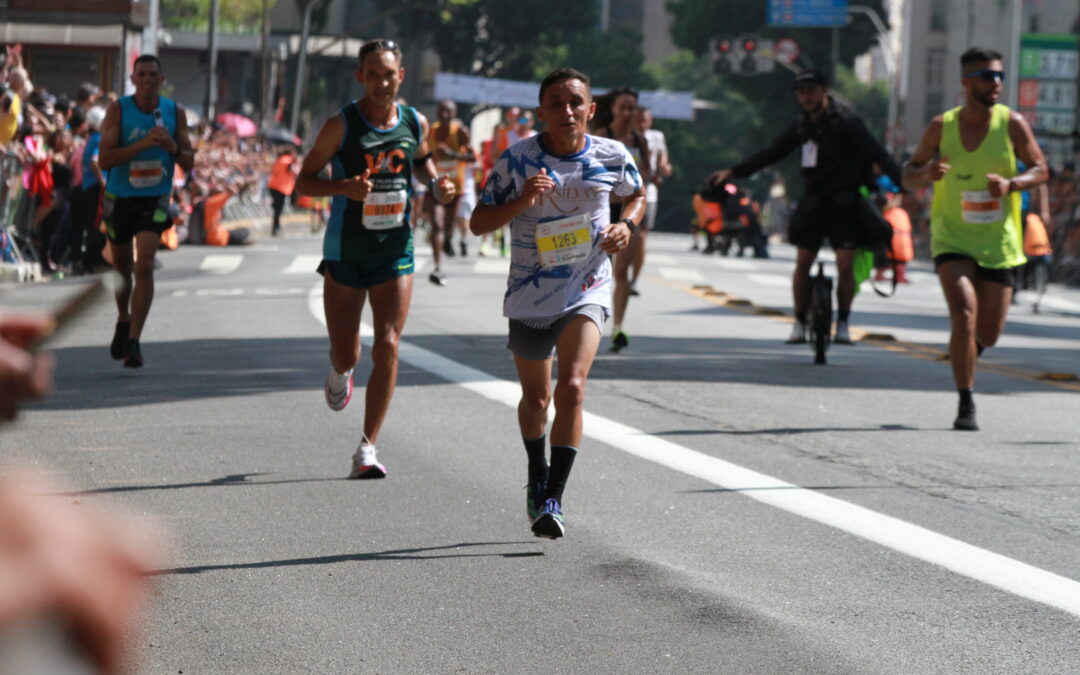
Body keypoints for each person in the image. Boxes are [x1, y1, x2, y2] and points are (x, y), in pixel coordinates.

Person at [469, 68, 644, 539]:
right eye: (555, 103)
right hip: (529, 293)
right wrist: (522, 201)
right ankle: (535, 469)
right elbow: (479, 223)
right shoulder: (517, 159)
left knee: (570, 388)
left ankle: (553, 498)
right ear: (541, 112)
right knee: (537, 398)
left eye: (575, 102)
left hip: (586, 287)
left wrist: (625, 225)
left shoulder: (613, 155)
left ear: (591, 109)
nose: (566, 111)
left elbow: (636, 195)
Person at [295, 39, 456, 479]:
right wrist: (343, 188)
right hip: (346, 250)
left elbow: (422, 162)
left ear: (401, 76)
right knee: (348, 352)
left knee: (388, 343)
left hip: (395, 249)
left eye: (390, 74)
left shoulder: (413, 121)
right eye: (373, 74)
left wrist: (438, 184)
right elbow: (303, 184)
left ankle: (367, 447)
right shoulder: (339, 126)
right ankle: (339, 370)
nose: (382, 82)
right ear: (360, 77)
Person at [902, 47, 1048, 431]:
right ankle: (966, 402)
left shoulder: (1012, 124)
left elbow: (1041, 169)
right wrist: (927, 173)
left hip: (998, 242)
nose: (995, 82)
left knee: (988, 334)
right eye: (986, 75)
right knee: (963, 316)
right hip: (952, 237)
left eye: (999, 75)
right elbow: (908, 174)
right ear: (966, 82)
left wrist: (1013, 184)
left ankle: (966, 353)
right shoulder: (941, 126)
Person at [710, 70, 904, 345]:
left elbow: (878, 154)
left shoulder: (847, 123)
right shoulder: (801, 126)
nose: (806, 97)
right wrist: (734, 171)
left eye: (811, 90)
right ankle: (799, 322)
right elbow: (772, 152)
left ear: (825, 91)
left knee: (845, 265)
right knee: (803, 262)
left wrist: (902, 183)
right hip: (814, 199)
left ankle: (844, 323)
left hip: (846, 201)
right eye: (801, 92)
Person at [98, 55, 195, 368]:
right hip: (120, 197)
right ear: (133, 78)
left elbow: (189, 161)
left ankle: (135, 340)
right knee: (122, 266)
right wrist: (140, 146)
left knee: (145, 264)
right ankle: (123, 318)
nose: (148, 80)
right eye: (142, 74)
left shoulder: (173, 112)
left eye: (153, 74)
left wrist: (171, 147)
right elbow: (105, 160)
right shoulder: (119, 110)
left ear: (161, 79)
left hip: (154, 197)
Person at [593, 87, 650, 353]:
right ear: (613, 109)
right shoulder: (602, 137)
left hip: (629, 213)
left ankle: (617, 328)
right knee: (594, 269)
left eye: (632, 109)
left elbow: (645, 175)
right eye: (623, 108)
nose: (628, 113)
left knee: (621, 272)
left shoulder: (640, 140)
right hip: (602, 212)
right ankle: (588, 323)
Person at [425, 99, 474, 284]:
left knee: (448, 229)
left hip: (455, 188)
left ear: (454, 114)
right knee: (436, 225)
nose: (444, 115)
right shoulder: (431, 131)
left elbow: (471, 158)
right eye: (441, 111)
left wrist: (452, 154)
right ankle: (437, 267)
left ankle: (448, 240)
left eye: (448, 112)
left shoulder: (460, 132)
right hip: (435, 185)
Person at [634, 106, 672, 291]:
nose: (641, 124)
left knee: (641, 236)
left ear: (650, 121)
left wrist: (664, 166)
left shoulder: (656, 136)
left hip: (648, 192)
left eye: (645, 120)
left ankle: (635, 278)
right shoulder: (627, 137)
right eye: (638, 119)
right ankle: (619, 273)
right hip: (626, 192)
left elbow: (662, 156)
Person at [267, 146, 298, 237]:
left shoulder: (279, 159)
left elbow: (273, 170)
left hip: (273, 185)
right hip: (281, 187)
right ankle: (276, 228)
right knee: (278, 209)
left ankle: (276, 227)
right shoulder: (290, 161)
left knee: (276, 208)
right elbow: (294, 172)